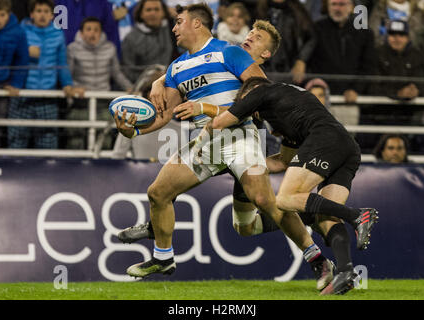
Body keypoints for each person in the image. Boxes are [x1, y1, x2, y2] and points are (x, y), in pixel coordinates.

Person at [114, 3, 334, 291]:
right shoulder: (176, 67)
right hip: (205, 142)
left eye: (179, 22)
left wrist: (206, 107)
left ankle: (318, 259)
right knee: (158, 193)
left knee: (264, 201)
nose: (174, 28)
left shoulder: (229, 52)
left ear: (197, 24)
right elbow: (163, 116)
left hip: (240, 138)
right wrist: (133, 129)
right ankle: (163, 257)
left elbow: (260, 92)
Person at [206, 76, 379, 295]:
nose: (252, 113)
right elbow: (282, 162)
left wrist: (200, 108)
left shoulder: (260, 92)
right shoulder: (290, 112)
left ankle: (356, 215)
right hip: (347, 147)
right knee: (324, 217)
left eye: (247, 106)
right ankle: (346, 272)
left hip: (323, 139)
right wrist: (244, 165)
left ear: (249, 95)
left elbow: (220, 122)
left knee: (286, 199)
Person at [7, 0, 77, 149]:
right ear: (32, 14)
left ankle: (49, 173)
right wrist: (26, 53)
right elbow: (10, 58)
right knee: (16, 141)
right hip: (22, 96)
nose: (42, 15)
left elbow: (61, 63)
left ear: (52, 15)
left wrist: (67, 84)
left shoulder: (58, 34)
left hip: (47, 97)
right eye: (39, 11)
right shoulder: (20, 31)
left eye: (46, 11)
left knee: (48, 143)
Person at [66, 17, 132, 150]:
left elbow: (116, 73)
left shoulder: (110, 48)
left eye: (96, 30)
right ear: (81, 32)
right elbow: (67, 75)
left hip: (103, 104)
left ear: (101, 32)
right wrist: (74, 87)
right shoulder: (72, 48)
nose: (92, 33)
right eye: (88, 29)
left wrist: (130, 88)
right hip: (80, 104)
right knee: (75, 142)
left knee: (105, 142)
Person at [0, 0, 29, 148]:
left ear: (8, 14)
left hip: (2, 85)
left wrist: (15, 84)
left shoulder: (18, 32)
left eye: (2, 15)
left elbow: (22, 61)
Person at [256, 0, 316, 84]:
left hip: (289, 71)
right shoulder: (257, 10)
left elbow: (311, 37)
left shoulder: (298, 11)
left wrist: (301, 60)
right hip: (262, 70)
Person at [121, 0, 176, 83]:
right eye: (148, 10)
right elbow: (127, 70)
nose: (152, 13)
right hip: (141, 88)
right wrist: (150, 77)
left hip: (169, 84)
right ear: (141, 14)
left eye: (156, 9)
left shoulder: (172, 31)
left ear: (163, 13)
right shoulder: (130, 38)